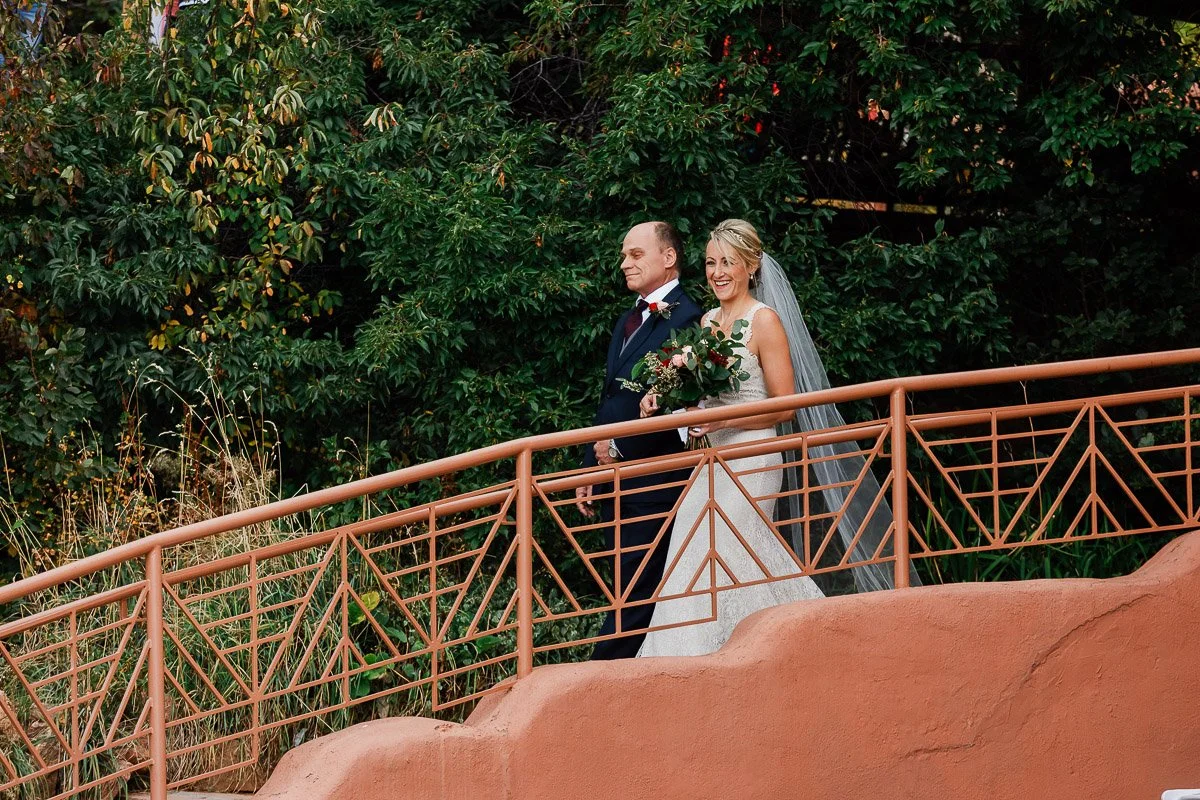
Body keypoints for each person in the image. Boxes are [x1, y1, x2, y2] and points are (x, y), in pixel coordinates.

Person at [634, 219, 827, 657]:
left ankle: (774, 649)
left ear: (752, 265)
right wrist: (663, 396)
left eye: (729, 262)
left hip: (754, 458)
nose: (718, 272)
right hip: (712, 460)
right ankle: (689, 657)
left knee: (736, 551)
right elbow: (704, 394)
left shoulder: (765, 321)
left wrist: (722, 422)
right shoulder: (707, 320)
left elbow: (785, 405)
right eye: (710, 262)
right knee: (690, 552)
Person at [575, 221, 704, 660]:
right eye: (624, 255)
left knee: (637, 584)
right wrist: (591, 465)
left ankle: (601, 672)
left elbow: (681, 411)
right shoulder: (627, 318)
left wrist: (621, 450)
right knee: (624, 580)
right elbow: (610, 395)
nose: (624, 263)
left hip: (654, 476)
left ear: (668, 258)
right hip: (614, 473)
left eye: (635, 254)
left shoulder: (690, 321)